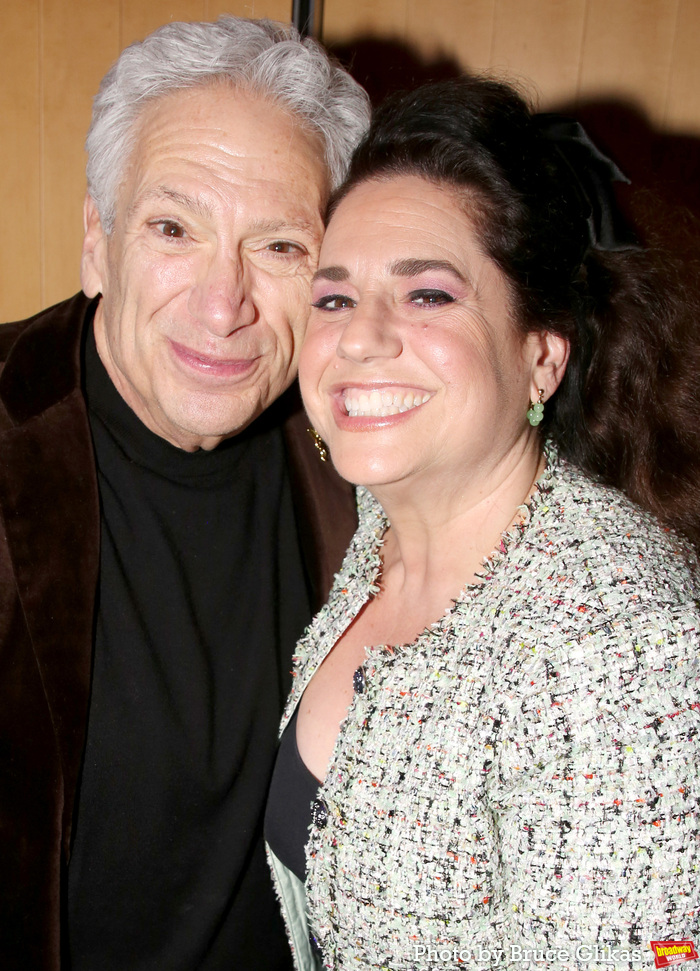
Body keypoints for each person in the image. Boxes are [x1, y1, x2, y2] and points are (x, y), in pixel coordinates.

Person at [265, 77, 700, 970]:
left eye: (428, 295)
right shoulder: (383, 535)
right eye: (335, 298)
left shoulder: (617, 640)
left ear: (540, 355)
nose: (360, 337)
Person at [0, 16, 369, 971]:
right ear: (98, 239)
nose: (223, 303)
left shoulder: (365, 462)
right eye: (174, 228)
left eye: (280, 247)